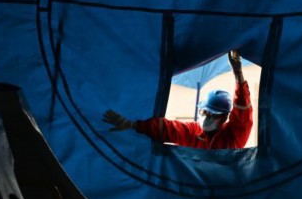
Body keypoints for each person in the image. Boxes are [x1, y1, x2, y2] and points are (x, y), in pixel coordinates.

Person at [102, 50, 253, 149]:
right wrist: (131, 124)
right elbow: (166, 128)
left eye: (212, 115)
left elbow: (243, 111)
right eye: (204, 112)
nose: (206, 117)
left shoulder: (233, 135)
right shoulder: (193, 132)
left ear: (224, 118)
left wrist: (238, 72)